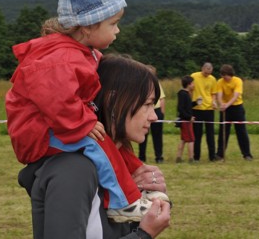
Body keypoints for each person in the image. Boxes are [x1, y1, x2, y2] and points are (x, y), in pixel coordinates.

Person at [6, 0, 161, 223]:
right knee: (99, 143)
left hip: (55, 125)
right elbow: (57, 101)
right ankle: (122, 203)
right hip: (43, 132)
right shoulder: (62, 59)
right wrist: (84, 122)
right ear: (88, 26)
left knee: (108, 141)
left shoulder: (80, 53)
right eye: (113, 24)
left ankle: (138, 179)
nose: (118, 30)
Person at [17, 54, 171, 238]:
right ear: (114, 102)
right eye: (147, 104)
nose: (154, 116)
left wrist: (152, 199)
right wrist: (143, 235)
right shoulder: (74, 169)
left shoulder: (116, 160)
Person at [215, 64, 253, 161]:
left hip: (237, 108)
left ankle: (247, 154)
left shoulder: (238, 81)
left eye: (225, 75)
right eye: (222, 76)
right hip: (225, 109)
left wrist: (227, 104)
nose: (224, 78)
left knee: (241, 132)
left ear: (230, 74)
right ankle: (220, 154)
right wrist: (221, 104)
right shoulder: (220, 82)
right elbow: (219, 94)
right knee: (223, 132)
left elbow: (236, 96)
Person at [191, 62, 218, 161]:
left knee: (210, 134)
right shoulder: (194, 76)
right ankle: (196, 156)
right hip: (197, 109)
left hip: (209, 109)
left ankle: (212, 156)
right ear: (202, 68)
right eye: (206, 72)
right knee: (197, 134)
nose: (207, 74)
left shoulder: (213, 79)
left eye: (209, 73)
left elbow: (213, 93)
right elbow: (189, 88)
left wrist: (214, 102)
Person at [138, 65, 166, 164]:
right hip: (144, 110)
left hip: (156, 110)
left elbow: (162, 99)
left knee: (157, 135)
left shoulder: (157, 84)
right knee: (143, 134)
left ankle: (159, 156)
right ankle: (141, 157)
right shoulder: (140, 84)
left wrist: (162, 113)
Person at [175, 75, 195, 163]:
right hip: (185, 121)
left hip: (185, 120)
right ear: (189, 84)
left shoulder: (186, 94)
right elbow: (180, 108)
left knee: (183, 140)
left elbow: (188, 106)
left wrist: (196, 103)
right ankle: (191, 159)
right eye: (193, 83)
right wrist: (189, 117)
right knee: (191, 139)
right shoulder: (183, 94)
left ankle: (178, 158)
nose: (194, 85)